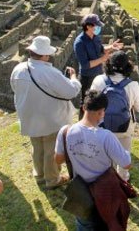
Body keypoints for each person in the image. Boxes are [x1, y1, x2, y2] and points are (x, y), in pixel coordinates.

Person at [55, 90, 132, 231]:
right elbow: (126, 163)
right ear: (102, 112)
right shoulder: (106, 136)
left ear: (84, 107)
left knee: (84, 225)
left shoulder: (65, 131)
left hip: (81, 193)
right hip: (105, 193)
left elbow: (58, 160)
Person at [10, 35, 81, 189]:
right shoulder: (51, 73)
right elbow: (71, 92)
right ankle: (52, 179)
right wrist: (74, 78)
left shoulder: (18, 69)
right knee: (51, 150)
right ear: (44, 55)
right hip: (50, 119)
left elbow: (15, 89)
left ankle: (39, 174)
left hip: (29, 117)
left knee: (37, 147)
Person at [90, 51, 139, 181]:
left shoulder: (98, 80)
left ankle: (105, 178)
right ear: (128, 66)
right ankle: (123, 178)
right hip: (124, 127)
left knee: (104, 153)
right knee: (123, 153)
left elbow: (91, 103)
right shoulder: (132, 85)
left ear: (108, 64)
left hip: (102, 125)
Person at [73, 13, 123, 116]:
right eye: (96, 25)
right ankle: (83, 125)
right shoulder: (79, 43)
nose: (98, 27)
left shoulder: (95, 37)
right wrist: (102, 59)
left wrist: (111, 47)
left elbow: (101, 49)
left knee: (99, 101)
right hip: (87, 77)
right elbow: (85, 65)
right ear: (88, 26)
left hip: (98, 74)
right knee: (86, 103)